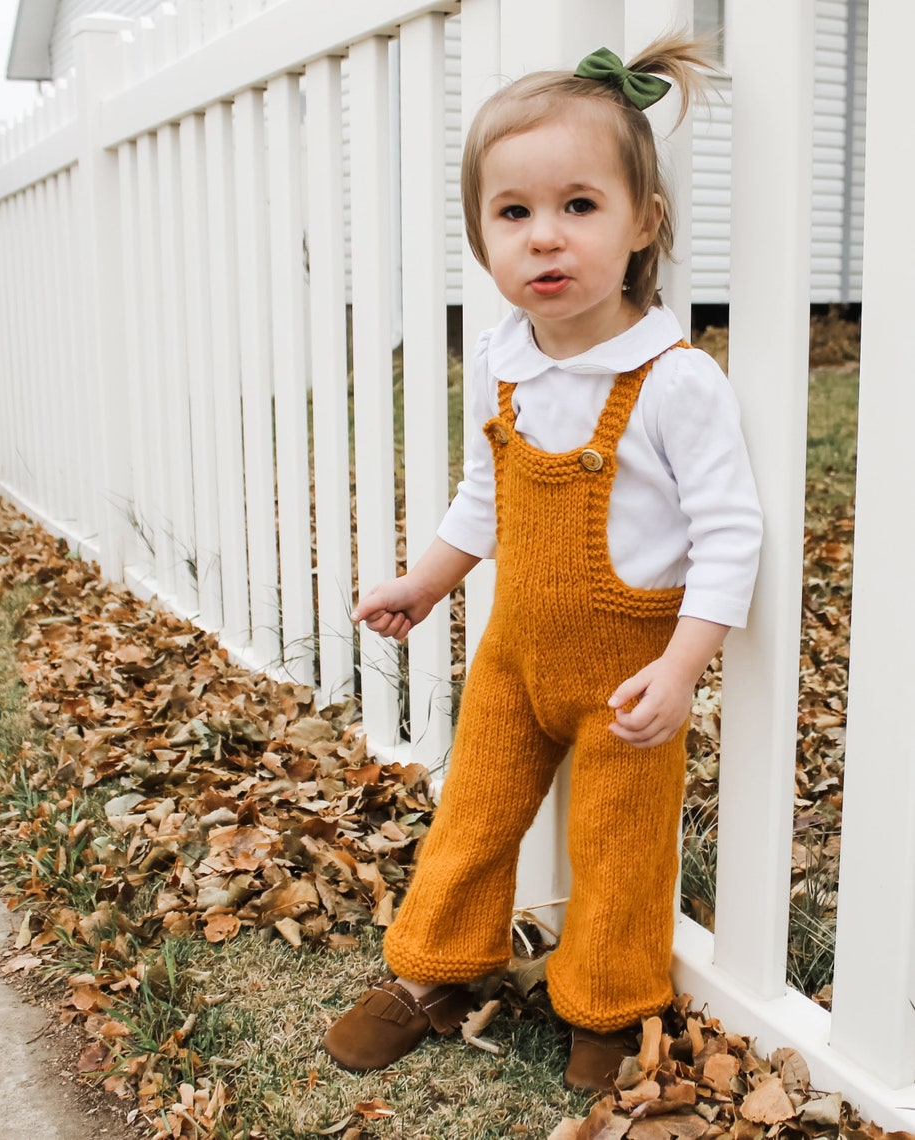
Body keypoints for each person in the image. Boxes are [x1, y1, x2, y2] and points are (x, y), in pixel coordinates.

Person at [321, 34, 762, 1092]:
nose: (545, 237)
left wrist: (685, 661)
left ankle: (608, 1008)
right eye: (514, 213)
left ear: (641, 221)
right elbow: (487, 496)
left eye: (579, 205)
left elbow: (727, 533)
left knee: (620, 847)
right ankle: (432, 973)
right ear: (482, 237)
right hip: (514, 661)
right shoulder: (507, 366)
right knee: (472, 815)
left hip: (627, 678)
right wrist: (425, 583)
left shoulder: (673, 380)